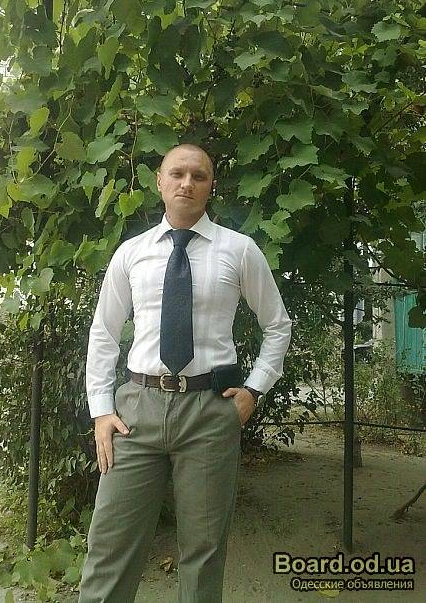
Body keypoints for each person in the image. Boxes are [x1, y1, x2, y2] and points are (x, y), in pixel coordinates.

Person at [78, 144, 292, 603]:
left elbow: (277, 325)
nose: (187, 183)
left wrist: (254, 389)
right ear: (159, 181)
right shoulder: (132, 253)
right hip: (136, 412)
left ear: (211, 186)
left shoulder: (239, 250)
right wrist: (100, 410)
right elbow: (104, 332)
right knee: (110, 544)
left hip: (209, 412)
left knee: (204, 551)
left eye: (199, 175)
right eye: (177, 173)